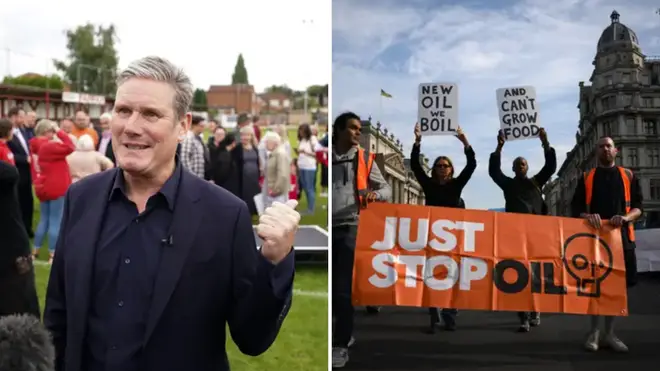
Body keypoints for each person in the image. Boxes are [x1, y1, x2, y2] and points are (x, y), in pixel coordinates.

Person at [44, 56, 300, 371]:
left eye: (150, 114)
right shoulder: (81, 198)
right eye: (123, 111)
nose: (132, 127)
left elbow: (252, 337)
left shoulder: (224, 215)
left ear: (183, 126)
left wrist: (275, 261)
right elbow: (58, 314)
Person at [570, 136, 642, 353]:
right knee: (594, 288)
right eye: (601, 147)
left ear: (616, 151)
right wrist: (588, 216)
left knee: (615, 290)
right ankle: (594, 332)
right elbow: (576, 209)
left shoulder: (628, 176)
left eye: (608, 146)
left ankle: (610, 333)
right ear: (597, 152)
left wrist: (627, 218)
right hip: (593, 242)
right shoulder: (587, 177)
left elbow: (639, 207)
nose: (605, 150)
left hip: (622, 241)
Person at [331, 112, 391, 369]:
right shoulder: (326, 155)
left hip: (351, 226)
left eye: (359, 129)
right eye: (353, 129)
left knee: (343, 289)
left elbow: (387, 189)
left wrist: (374, 195)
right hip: (329, 226)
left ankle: (340, 344)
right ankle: (344, 332)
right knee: (334, 289)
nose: (357, 133)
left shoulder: (365, 159)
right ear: (339, 130)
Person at [488, 127, 556, 332]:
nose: (520, 166)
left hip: (536, 237)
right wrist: (499, 147)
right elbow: (493, 172)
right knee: (519, 277)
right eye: (517, 164)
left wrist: (545, 142)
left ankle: (535, 310)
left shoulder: (536, 182)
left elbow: (551, 167)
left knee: (535, 277)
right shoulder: (508, 185)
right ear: (513, 168)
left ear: (527, 167)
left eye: (523, 163)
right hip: (515, 237)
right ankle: (523, 317)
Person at [411, 122, 477, 333]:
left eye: (445, 165)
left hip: (453, 237)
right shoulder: (428, 185)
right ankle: (434, 315)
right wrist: (418, 141)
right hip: (431, 235)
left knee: (452, 275)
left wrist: (464, 140)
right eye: (438, 165)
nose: (441, 168)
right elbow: (414, 165)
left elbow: (472, 165)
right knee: (431, 274)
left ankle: (450, 314)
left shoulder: (456, 185)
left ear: (451, 170)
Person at [0, 119, 40, 319]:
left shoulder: (5, 173)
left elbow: (10, 173)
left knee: (22, 327)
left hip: (12, 259)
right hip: (10, 263)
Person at [29, 120, 76, 264]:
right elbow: (70, 146)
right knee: (55, 220)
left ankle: (35, 252)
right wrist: (60, 131)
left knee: (44, 219)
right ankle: (52, 254)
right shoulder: (49, 146)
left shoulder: (35, 145)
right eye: (52, 131)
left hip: (43, 185)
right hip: (56, 186)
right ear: (46, 132)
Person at [6, 107, 34, 238]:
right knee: (17, 202)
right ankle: (19, 229)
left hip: (27, 173)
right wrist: (24, 159)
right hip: (16, 171)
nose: (24, 119)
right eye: (22, 116)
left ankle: (28, 228)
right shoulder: (6, 133)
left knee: (28, 200)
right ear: (14, 117)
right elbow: (7, 153)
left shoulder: (23, 131)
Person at [262, 131, 291, 209]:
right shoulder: (273, 153)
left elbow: (283, 174)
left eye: (267, 142)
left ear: (274, 143)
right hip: (271, 190)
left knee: (278, 214)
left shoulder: (280, 154)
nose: (265, 144)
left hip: (277, 193)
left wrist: (275, 190)